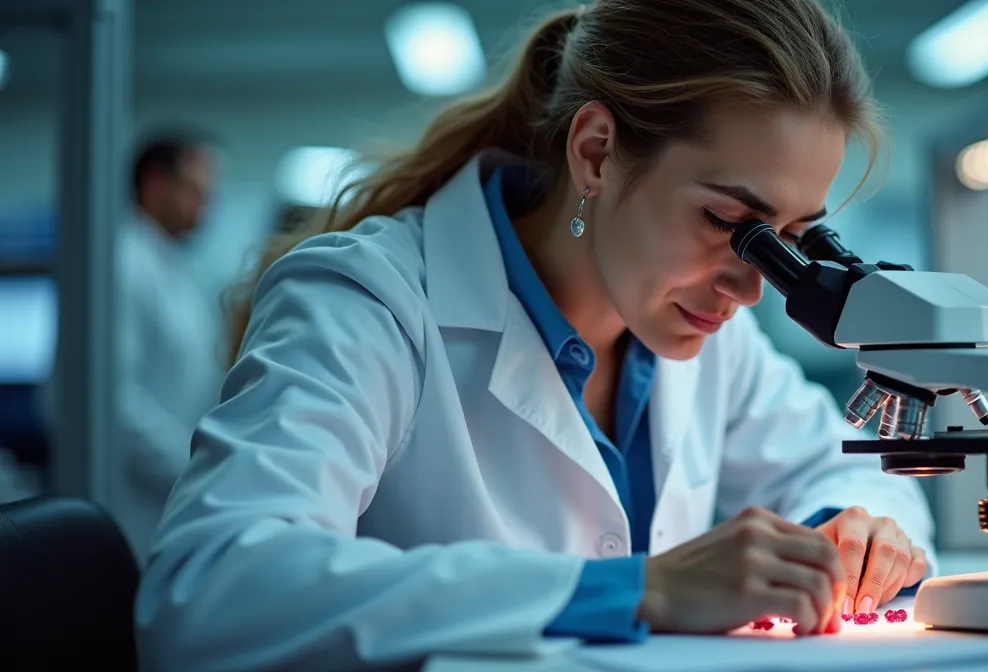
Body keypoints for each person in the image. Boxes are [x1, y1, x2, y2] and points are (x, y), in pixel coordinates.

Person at [136, 1, 936, 669]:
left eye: (791, 238)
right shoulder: (371, 299)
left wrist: (854, 534)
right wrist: (638, 590)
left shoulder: (706, 324)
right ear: (596, 152)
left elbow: (849, 471)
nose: (752, 285)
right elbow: (210, 589)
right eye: (728, 221)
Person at [112, 131, 224, 564]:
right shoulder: (123, 264)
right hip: (134, 499)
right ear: (156, 185)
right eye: (196, 190)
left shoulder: (175, 268)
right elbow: (115, 401)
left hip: (175, 494)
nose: (206, 207)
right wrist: (195, 469)